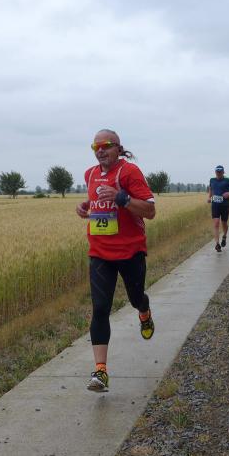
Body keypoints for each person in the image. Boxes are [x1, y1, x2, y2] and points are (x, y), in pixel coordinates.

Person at [75, 129, 157, 392]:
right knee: (100, 308)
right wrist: (85, 206)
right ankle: (100, 371)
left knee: (135, 298)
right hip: (100, 252)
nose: (100, 150)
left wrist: (121, 198)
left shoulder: (129, 172)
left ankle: (144, 311)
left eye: (106, 145)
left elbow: (150, 210)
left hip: (130, 251)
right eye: (95, 146)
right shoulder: (89, 174)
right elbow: (96, 199)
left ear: (118, 149)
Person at [207, 165, 229, 252]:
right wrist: (209, 197)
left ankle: (224, 236)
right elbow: (211, 189)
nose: (218, 173)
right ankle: (217, 244)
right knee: (216, 223)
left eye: (220, 172)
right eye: (217, 172)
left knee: (224, 223)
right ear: (215, 172)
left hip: (225, 205)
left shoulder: (228, 180)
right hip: (215, 205)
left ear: (223, 172)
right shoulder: (212, 180)